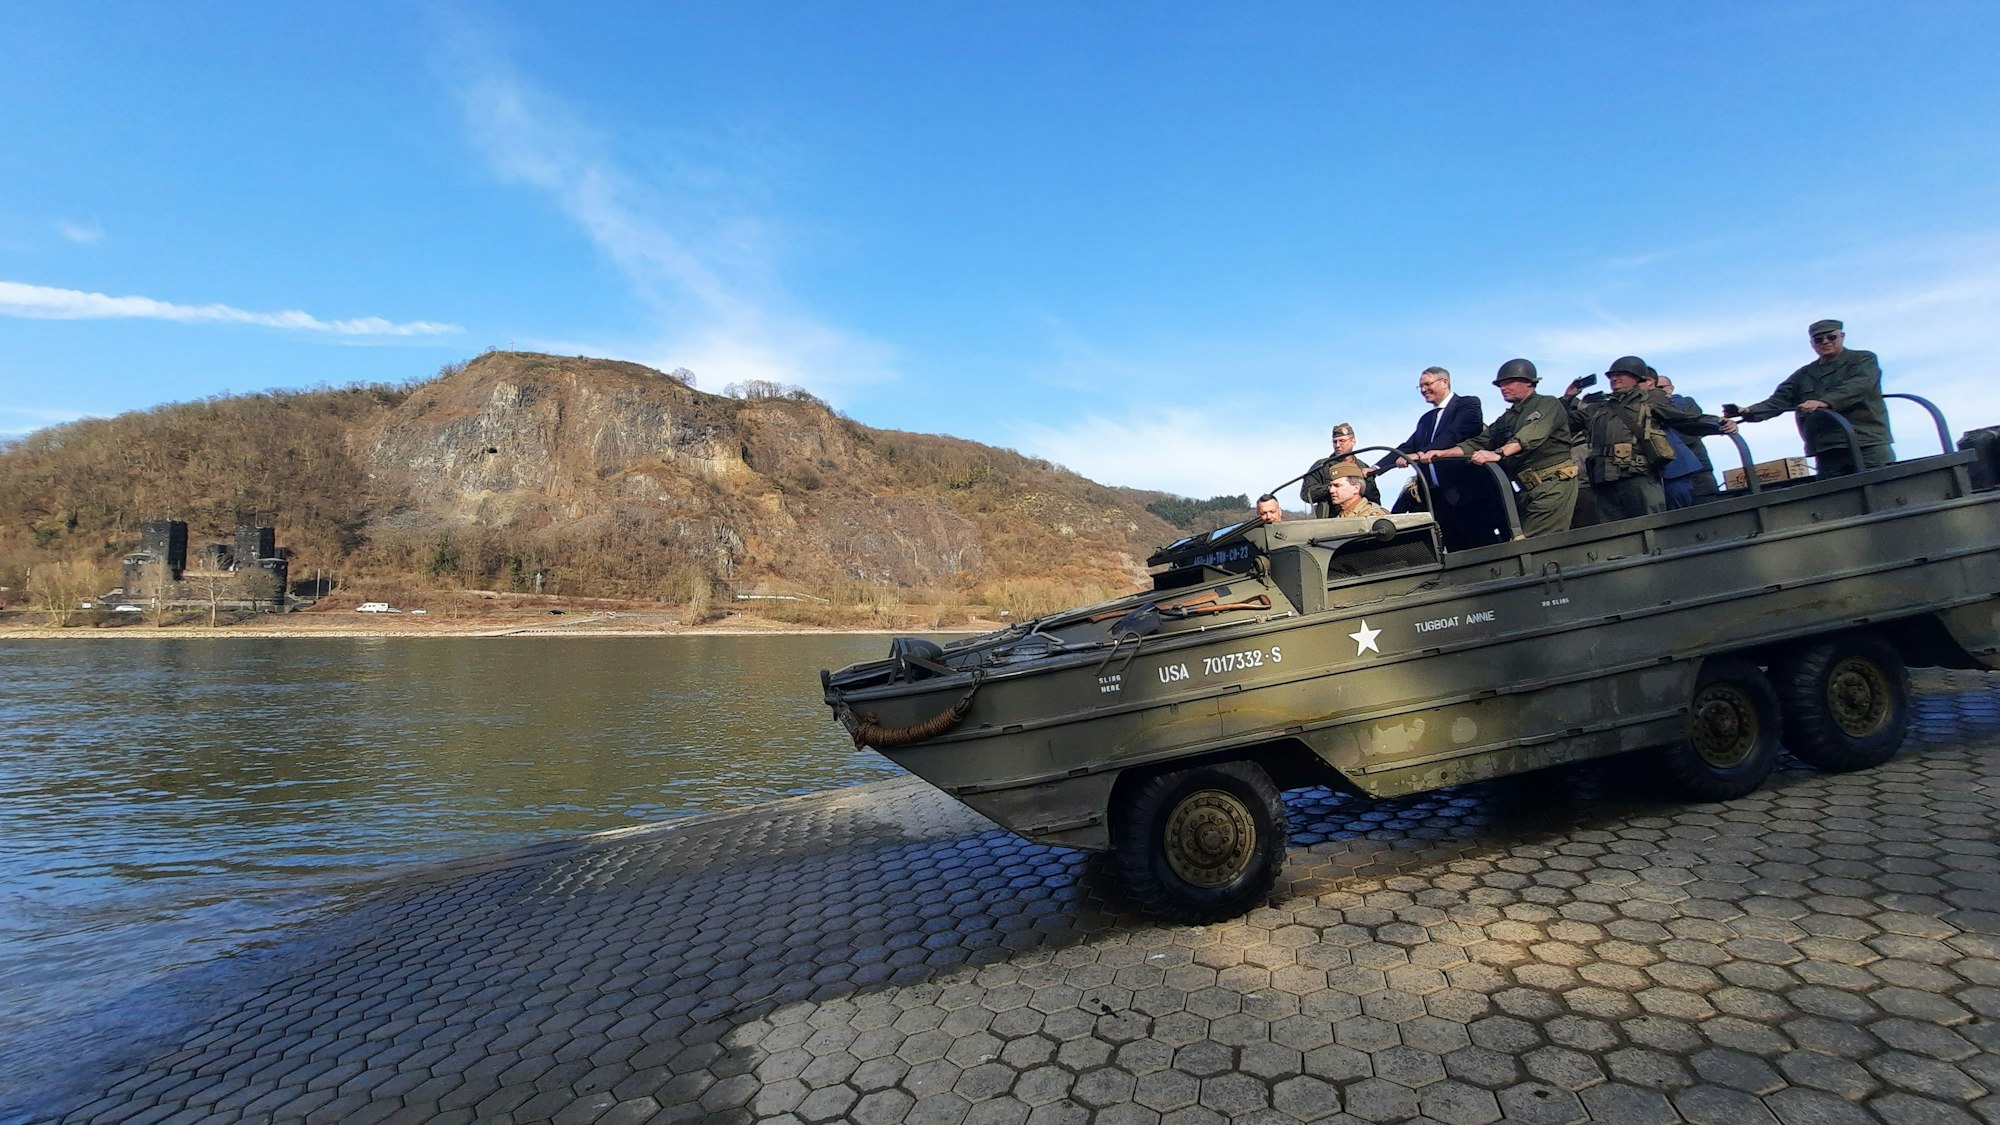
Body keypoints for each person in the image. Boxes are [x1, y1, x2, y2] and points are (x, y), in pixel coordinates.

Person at [1416, 359, 1577, 538]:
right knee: (1519, 540)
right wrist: (1443, 453)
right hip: (1526, 489)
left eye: (1508, 383)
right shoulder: (1508, 417)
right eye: (1500, 384)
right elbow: (1481, 441)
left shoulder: (1548, 404)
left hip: (1552, 483)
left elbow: (1530, 435)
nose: (1503, 388)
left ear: (1529, 382)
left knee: (1534, 543)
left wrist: (1498, 453)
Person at [1562, 356, 1733, 522]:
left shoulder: (1649, 400)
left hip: (1637, 475)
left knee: (1652, 525)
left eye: (1621, 374)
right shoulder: (1598, 408)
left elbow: (1683, 419)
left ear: (1636, 378)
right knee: (1614, 536)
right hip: (1603, 480)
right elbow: (1562, 424)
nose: (1615, 379)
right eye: (1612, 376)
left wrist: (1718, 423)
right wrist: (1568, 398)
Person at [1725, 320, 1893, 476]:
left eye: (1831, 337)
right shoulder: (1804, 374)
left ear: (1842, 337)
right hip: (1826, 448)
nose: (1825, 342)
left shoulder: (1863, 360)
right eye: (1819, 339)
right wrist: (1748, 411)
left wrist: (1825, 402)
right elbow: (1778, 400)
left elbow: (1858, 385)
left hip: (1866, 442)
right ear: (1812, 344)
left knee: (1881, 490)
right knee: (1834, 499)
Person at [1374, 366, 1505, 550]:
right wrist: (1376, 468)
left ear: (1444, 382)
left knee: (1483, 548)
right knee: (1453, 552)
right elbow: (1408, 446)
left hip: (1466, 497)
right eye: (1420, 386)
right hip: (1439, 501)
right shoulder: (1426, 420)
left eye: (1427, 384)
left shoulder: (1468, 405)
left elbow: (1455, 435)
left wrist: (1421, 455)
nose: (1423, 390)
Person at [1655, 374, 1722, 503]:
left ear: (1671, 388)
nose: (1658, 391)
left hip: (1698, 467)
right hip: (1670, 472)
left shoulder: (1685, 403)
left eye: (1661, 387)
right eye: (1655, 388)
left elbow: (1691, 430)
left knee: (1709, 502)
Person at [1301, 423, 1381, 516]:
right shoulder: (1321, 466)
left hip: (1358, 518)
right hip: (1329, 521)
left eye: (1342, 441)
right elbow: (1306, 494)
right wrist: (1334, 487)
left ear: (1353, 441)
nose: (1338, 445)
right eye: (1335, 442)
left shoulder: (1363, 467)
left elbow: (1374, 498)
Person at [1324, 461, 1389, 519]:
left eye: (1337, 485)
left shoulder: (1373, 515)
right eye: (1331, 486)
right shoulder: (1341, 516)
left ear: (1356, 488)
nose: (1331, 490)